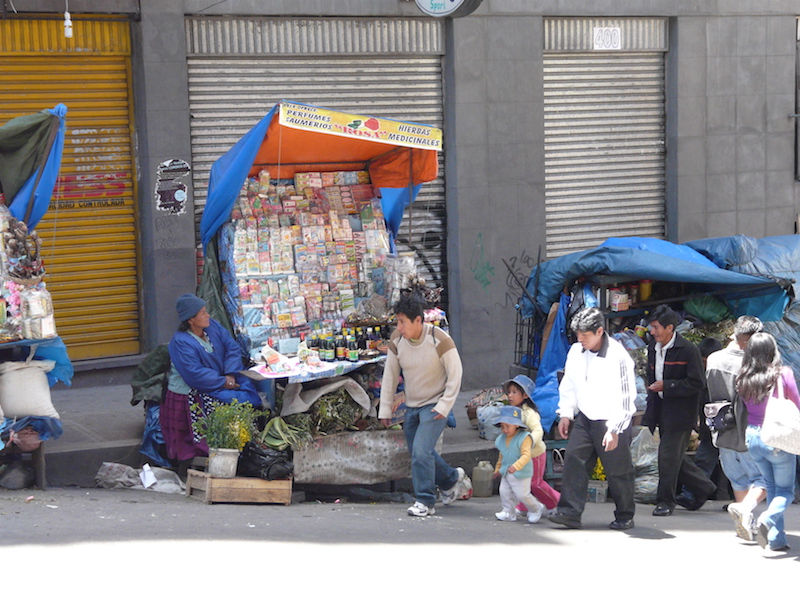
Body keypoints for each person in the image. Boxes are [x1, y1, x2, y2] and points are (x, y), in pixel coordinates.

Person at [547, 306, 637, 531]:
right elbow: (568, 383)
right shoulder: (576, 352)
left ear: (599, 332)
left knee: (618, 471)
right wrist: (566, 412)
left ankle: (625, 514)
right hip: (586, 418)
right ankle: (569, 513)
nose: (580, 339)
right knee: (574, 462)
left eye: (584, 335)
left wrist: (614, 429)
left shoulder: (618, 356)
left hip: (612, 421)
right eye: (578, 334)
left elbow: (627, 398)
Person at [378, 293, 466, 517]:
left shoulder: (440, 340)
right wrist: (385, 409)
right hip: (411, 405)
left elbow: (456, 374)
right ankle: (451, 479)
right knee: (421, 451)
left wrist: (445, 405)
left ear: (418, 320)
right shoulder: (397, 340)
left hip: (435, 404)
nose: (399, 327)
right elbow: (390, 376)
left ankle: (425, 501)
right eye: (397, 322)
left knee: (420, 452)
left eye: (403, 322)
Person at [162, 293, 261, 470]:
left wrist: (230, 374)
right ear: (191, 320)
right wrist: (224, 381)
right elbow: (195, 374)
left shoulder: (212, 326)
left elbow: (232, 347)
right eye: (202, 313)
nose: (207, 315)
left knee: (248, 395)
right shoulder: (181, 342)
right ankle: (199, 458)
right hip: (194, 391)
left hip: (222, 380)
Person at [644, 305, 716, 516]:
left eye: (656, 328)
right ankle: (705, 487)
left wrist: (668, 385)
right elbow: (651, 381)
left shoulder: (688, 350)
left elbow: (697, 383)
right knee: (674, 457)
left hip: (681, 414)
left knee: (666, 458)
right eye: (652, 327)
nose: (653, 332)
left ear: (669, 328)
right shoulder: (652, 348)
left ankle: (665, 502)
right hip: (659, 409)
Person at [705, 316, 767, 540]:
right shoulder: (750, 365)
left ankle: (745, 521)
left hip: (722, 431)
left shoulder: (713, 359)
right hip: (748, 432)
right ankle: (745, 512)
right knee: (763, 479)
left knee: (738, 481)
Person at [736, 332, 800, 553]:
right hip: (776, 438)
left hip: (752, 437)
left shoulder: (743, 377)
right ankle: (767, 518)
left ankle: (777, 539)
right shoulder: (783, 374)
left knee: (772, 487)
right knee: (786, 491)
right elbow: (797, 403)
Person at [502, 374, 560, 518]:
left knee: (535, 483)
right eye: (509, 392)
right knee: (522, 482)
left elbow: (538, 431)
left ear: (525, 395)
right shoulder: (512, 411)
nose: (510, 395)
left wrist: (528, 443)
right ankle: (524, 506)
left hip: (535, 454)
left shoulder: (529, 413)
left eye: (514, 392)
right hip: (521, 456)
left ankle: (557, 502)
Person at [492, 405, 546, 523]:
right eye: (503, 426)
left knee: (522, 495)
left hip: (522, 472)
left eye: (508, 426)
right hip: (506, 471)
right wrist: (498, 468)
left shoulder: (524, 438)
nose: (505, 430)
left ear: (517, 425)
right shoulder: (501, 439)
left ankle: (535, 508)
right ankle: (508, 512)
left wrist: (516, 466)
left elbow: (526, 455)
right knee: (504, 492)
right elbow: (502, 454)